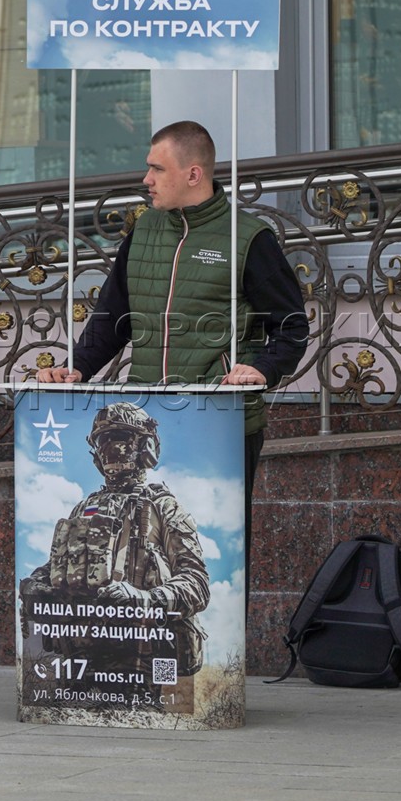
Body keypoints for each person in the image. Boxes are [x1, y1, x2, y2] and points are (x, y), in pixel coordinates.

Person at [35, 119, 309, 584]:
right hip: (148, 415)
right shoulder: (142, 234)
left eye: (157, 169)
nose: (147, 180)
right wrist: (76, 367)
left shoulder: (247, 239)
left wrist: (262, 369)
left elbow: (291, 326)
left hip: (219, 422)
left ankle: (220, 653)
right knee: (134, 561)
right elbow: (112, 318)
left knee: (210, 555)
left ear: (193, 174)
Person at [18, 402, 209, 680]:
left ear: (146, 449)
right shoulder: (85, 507)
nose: (111, 449)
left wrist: (145, 598)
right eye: (104, 441)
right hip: (81, 656)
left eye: (121, 439)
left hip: (143, 658)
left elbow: (197, 582)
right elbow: (61, 563)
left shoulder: (163, 507)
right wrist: (36, 584)